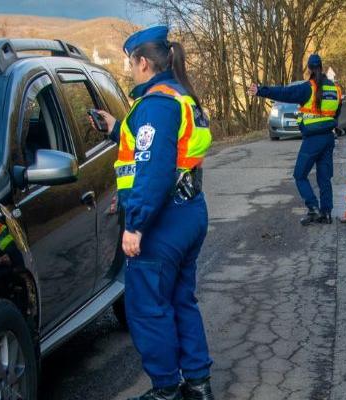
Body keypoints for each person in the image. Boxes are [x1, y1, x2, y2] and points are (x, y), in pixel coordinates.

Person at [93, 25, 215, 400]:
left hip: (163, 222)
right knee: (180, 299)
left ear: (143, 62)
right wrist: (118, 129)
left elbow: (155, 168)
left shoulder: (157, 105)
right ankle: (197, 384)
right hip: (188, 211)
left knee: (148, 308)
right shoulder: (179, 97)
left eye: (131, 63)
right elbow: (161, 151)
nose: (130, 70)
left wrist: (136, 224)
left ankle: (166, 390)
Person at [248, 54, 342, 225]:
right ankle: (326, 213)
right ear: (322, 67)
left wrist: (261, 90)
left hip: (313, 140)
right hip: (328, 137)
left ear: (309, 69)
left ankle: (313, 209)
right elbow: (337, 111)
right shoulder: (335, 89)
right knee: (324, 178)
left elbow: (285, 92)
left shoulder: (307, 88)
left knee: (299, 175)